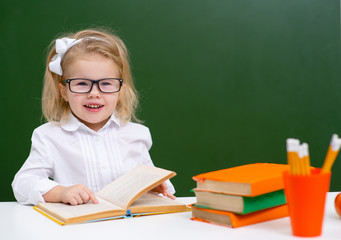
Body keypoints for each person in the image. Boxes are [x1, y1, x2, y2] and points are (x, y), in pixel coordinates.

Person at [12, 28, 175, 206]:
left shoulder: (137, 135)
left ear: (120, 90)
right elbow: (22, 183)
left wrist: (153, 187)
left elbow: (156, 181)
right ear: (64, 91)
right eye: (82, 83)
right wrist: (61, 192)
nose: (94, 93)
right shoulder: (49, 137)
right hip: (76, 229)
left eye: (105, 83)